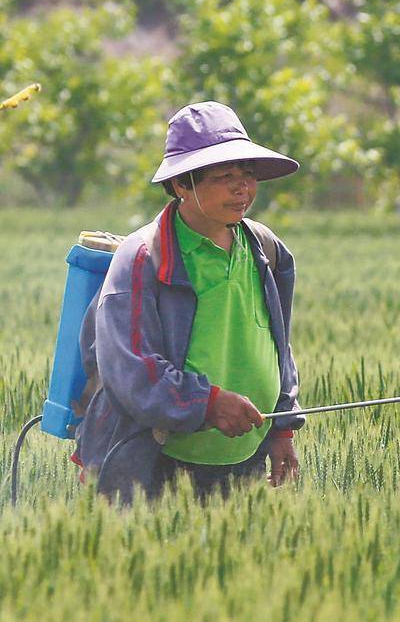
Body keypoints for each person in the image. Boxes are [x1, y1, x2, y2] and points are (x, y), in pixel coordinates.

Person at [75, 101, 304, 501]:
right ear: (183, 184)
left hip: (241, 453)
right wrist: (208, 404)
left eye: (248, 175)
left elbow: (278, 346)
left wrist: (282, 427)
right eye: (225, 176)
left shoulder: (266, 248)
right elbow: (131, 369)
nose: (242, 188)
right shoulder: (144, 258)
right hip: (154, 460)